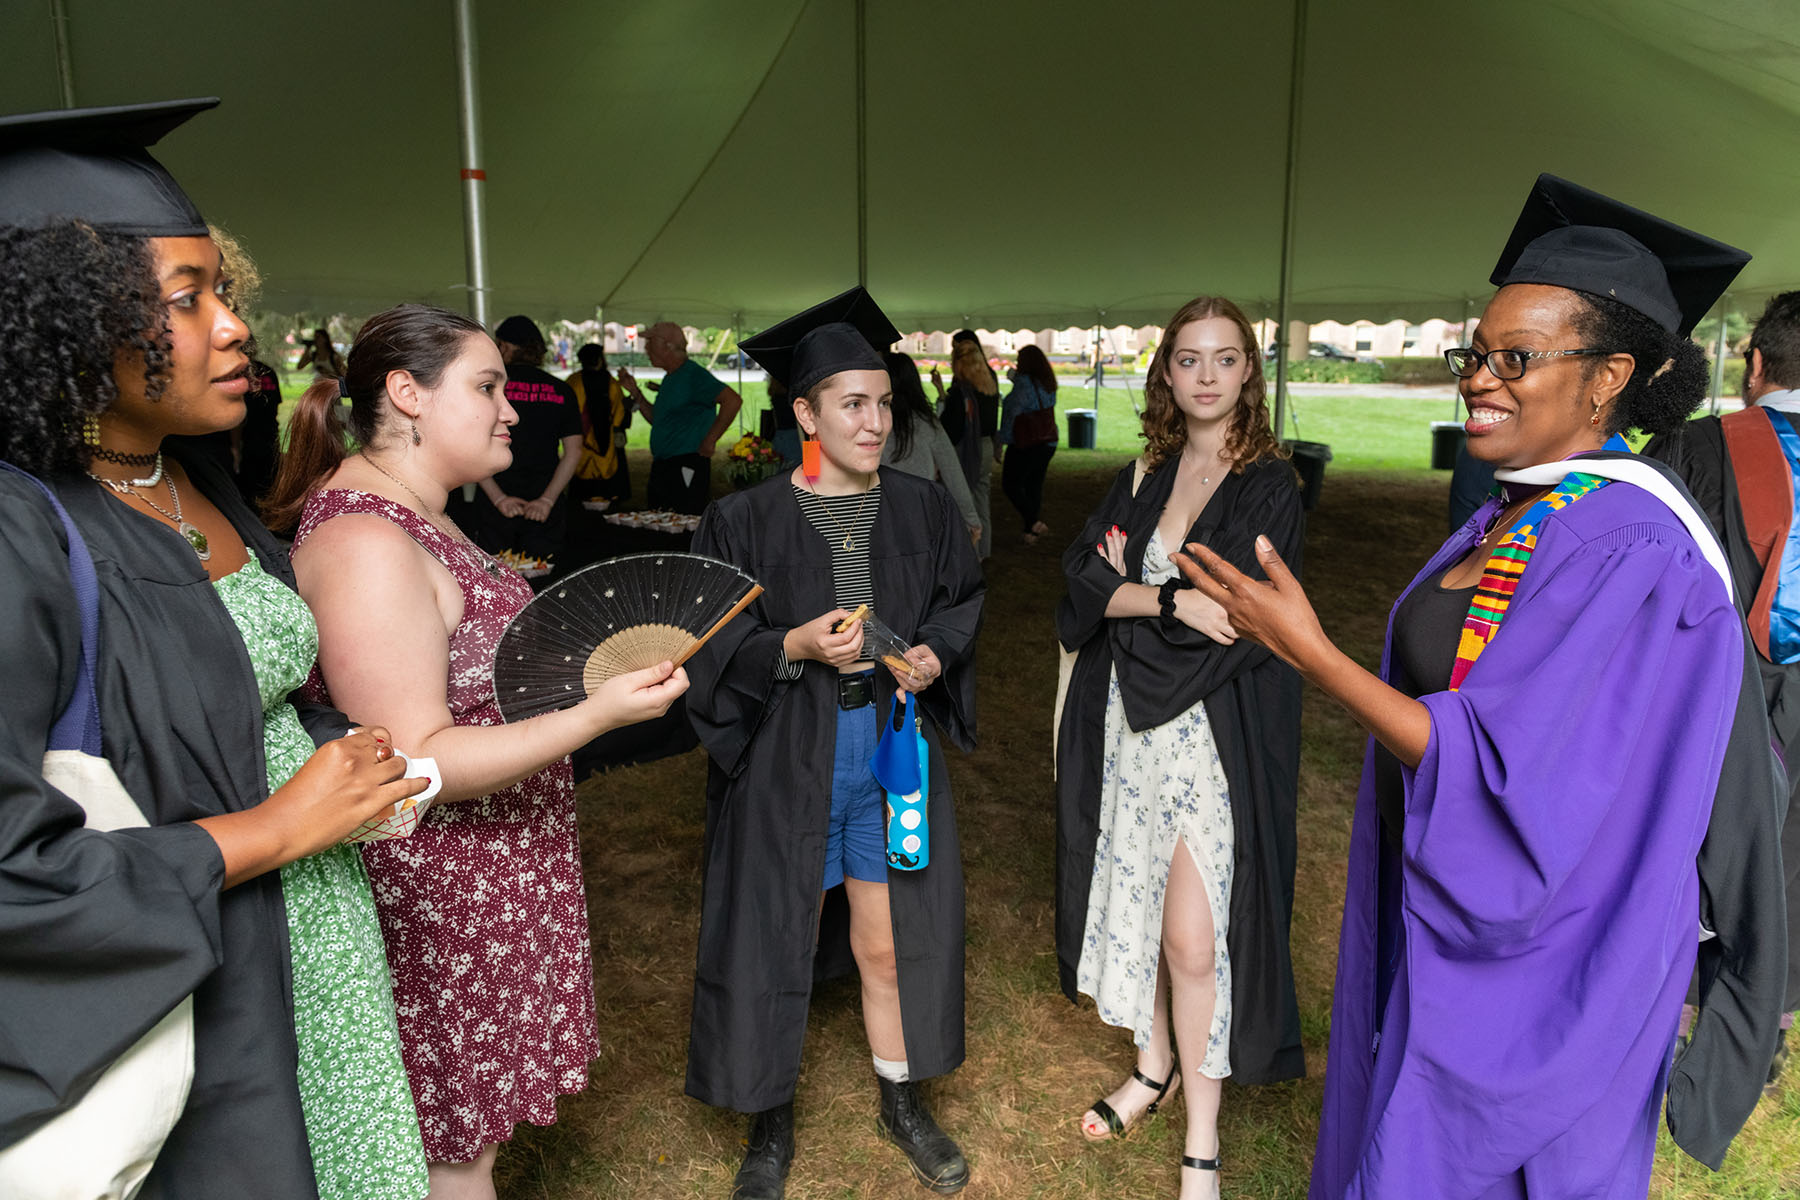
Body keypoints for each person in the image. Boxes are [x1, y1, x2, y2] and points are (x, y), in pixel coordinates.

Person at [1177, 175, 1786, 1198]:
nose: (1479, 379)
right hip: (1463, 923)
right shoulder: (1519, 514)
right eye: (1478, 353)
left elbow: (1514, 774)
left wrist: (1314, 657)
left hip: (1547, 966)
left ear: (1608, 379)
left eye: (1517, 358)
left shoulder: (1628, 543)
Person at [0, 98, 431, 1199]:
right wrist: (278, 825)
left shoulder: (199, 483)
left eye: (222, 290)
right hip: (186, 999)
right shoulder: (22, 531)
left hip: (322, 952)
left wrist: (351, 761)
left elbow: (258, 689)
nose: (235, 326)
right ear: (67, 321)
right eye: (185, 302)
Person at [266, 302, 689, 1200]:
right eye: (488, 386)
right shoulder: (366, 540)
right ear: (407, 394)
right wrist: (595, 717)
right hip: (438, 894)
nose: (513, 410)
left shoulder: (423, 512)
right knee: (444, 1156)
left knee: (470, 1146)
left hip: (492, 871)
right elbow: (415, 758)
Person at [688, 286, 984, 1199]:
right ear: (804, 413)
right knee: (781, 932)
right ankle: (768, 1125)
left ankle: (901, 1100)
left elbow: (960, 601)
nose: (875, 419)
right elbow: (708, 643)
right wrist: (792, 644)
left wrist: (935, 652)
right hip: (790, 753)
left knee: (889, 940)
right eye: (852, 403)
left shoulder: (924, 509)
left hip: (889, 749)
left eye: (885, 402)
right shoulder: (748, 521)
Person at [1054, 296, 1304, 1199]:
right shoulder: (1145, 471)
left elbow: (1235, 622)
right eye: (1188, 359)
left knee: (1195, 940)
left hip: (1210, 737)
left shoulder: (1271, 487)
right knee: (1140, 899)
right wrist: (1159, 601)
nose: (1206, 376)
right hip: (1130, 728)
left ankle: (1203, 1140)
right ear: (1165, 370)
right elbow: (1082, 579)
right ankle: (1151, 1063)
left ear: (1249, 370)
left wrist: (1131, 593)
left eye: (1225, 359)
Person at [1644, 288, 1800, 1089]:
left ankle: (1652, 1015)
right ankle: (1761, 1023)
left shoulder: (1696, 446)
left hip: (1718, 691)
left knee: (1688, 835)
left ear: (1757, 362)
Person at [469, 314, 584, 562]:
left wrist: (498, 498)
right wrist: (547, 500)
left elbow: (471, 445)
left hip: (496, 498)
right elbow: (574, 451)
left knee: (496, 584)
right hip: (545, 501)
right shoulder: (562, 390)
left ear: (505, 346)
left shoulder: (489, 388)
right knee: (544, 582)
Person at [618, 321, 742, 514]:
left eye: (650, 342)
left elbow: (733, 401)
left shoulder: (693, 375)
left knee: (684, 520)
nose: (646, 349)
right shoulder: (671, 377)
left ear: (668, 346)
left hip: (686, 463)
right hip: (663, 465)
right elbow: (657, 419)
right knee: (658, 520)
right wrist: (635, 393)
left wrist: (710, 440)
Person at [881, 350, 981, 546]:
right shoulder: (926, 423)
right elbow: (952, 472)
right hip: (920, 518)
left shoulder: (870, 423)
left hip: (884, 517)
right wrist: (971, 519)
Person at [931, 330, 999, 558]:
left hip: (967, 450)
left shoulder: (962, 393)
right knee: (981, 500)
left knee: (964, 504)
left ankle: (973, 554)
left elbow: (951, 429)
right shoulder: (990, 382)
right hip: (986, 446)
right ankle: (984, 550)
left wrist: (943, 397)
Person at [997, 343, 1060, 544]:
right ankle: (1030, 531)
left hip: (1026, 442)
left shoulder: (1024, 384)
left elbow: (1011, 412)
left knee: (1011, 484)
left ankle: (1032, 522)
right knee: (1034, 485)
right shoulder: (1048, 382)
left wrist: (1001, 441)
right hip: (1047, 440)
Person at [566, 341, 632, 505]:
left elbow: (568, 413)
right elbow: (619, 413)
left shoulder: (573, 382)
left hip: (582, 441)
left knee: (583, 490)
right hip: (608, 442)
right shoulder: (611, 383)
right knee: (609, 478)